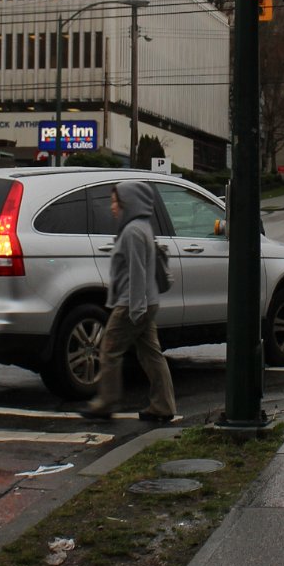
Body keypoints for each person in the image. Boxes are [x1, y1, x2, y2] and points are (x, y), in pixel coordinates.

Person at [85, 180, 178, 424]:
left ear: (129, 202)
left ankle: (106, 403)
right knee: (151, 354)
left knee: (109, 350)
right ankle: (163, 405)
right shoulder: (141, 227)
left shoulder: (133, 231)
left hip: (132, 304)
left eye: (116, 201)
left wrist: (136, 309)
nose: (112, 207)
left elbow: (138, 272)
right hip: (145, 302)